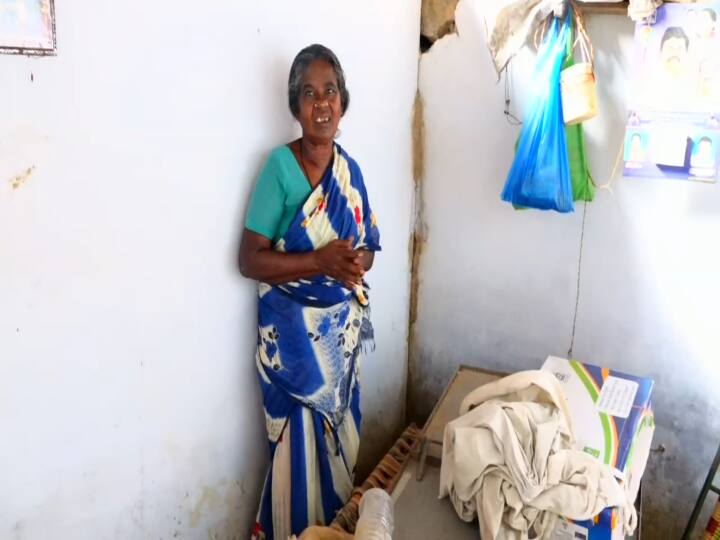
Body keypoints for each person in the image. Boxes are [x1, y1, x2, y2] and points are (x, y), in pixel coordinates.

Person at [239, 44, 381, 540]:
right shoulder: (278, 168)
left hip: (339, 342)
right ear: (296, 107)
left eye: (331, 92)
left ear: (343, 101)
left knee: (336, 450)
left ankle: (334, 527)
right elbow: (249, 258)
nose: (322, 103)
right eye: (309, 94)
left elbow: (367, 249)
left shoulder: (350, 172)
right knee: (296, 451)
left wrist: (350, 264)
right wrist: (320, 260)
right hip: (293, 347)